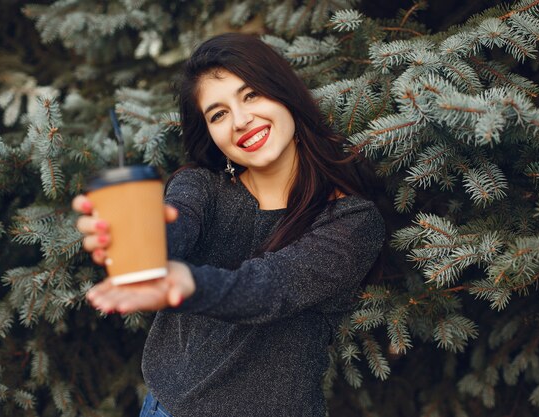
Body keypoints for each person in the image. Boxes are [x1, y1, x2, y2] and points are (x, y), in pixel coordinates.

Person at [73, 32, 385, 417]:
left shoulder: (351, 220)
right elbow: (175, 226)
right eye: (218, 114)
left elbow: (271, 287)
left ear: (283, 92)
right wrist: (135, 237)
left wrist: (188, 284)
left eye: (251, 94)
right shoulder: (200, 185)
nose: (240, 120)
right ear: (210, 134)